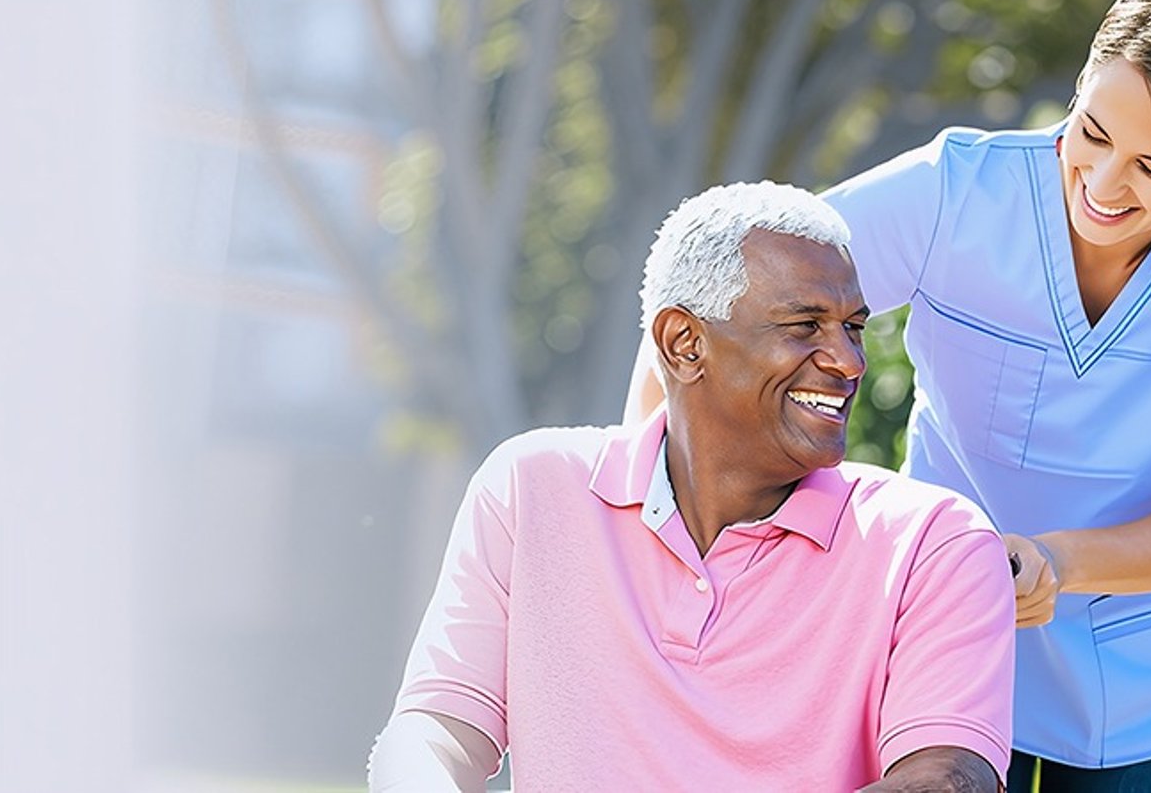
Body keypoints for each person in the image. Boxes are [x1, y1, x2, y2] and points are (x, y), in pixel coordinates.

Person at [623, 0, 1151, 790]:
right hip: (937, 645)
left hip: (1148, 698)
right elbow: (712, 310)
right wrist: (644, 541)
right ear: (1079, 89)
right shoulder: (953, 192)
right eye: (1094, 133)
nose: (1104, 187)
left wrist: (1057, 562)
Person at [370, 182, 1016, 791]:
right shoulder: (531, 487)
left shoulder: (937, 542)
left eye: (852, 326)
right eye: (804, 326)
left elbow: (949, 776)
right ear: (684, 344)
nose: (849, 362)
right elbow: (440, 725)